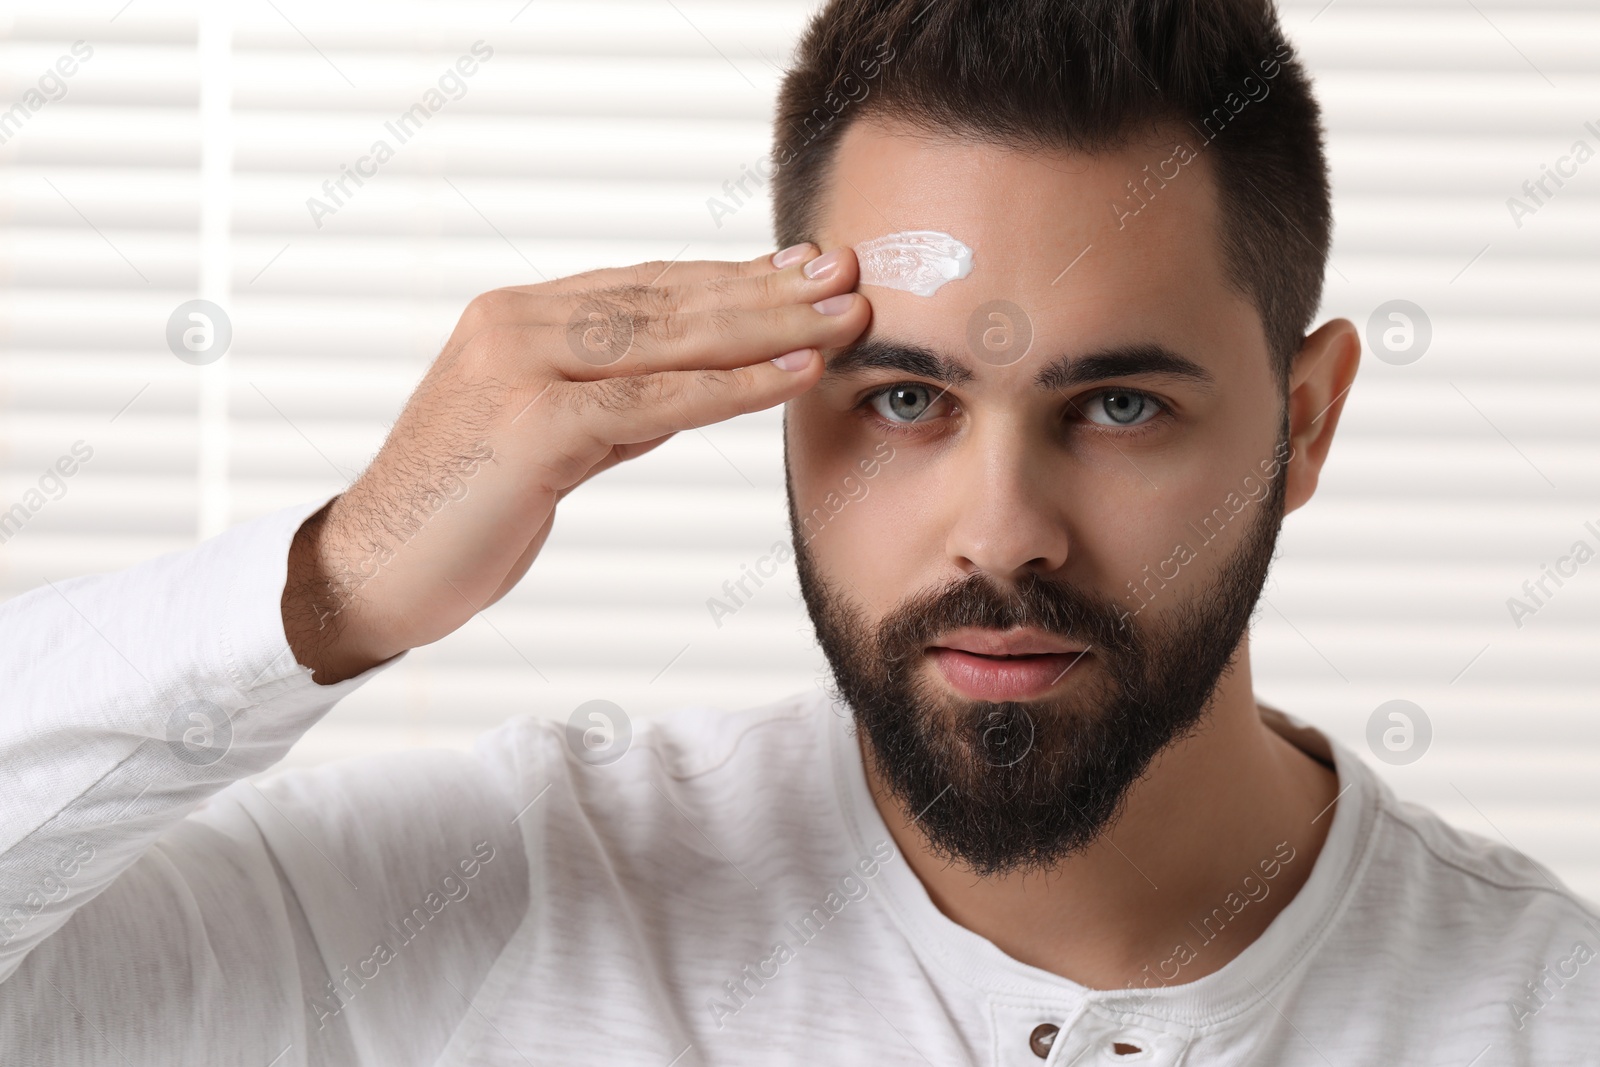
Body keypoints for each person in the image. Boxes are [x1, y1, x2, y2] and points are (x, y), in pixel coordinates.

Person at [3, 0, 1596, 1063]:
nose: (1003, 535)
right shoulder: (497, 902)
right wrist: (335, 586)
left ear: (1305, 422)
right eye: (905, 401)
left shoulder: (1546, 1009)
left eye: (1117, 407)